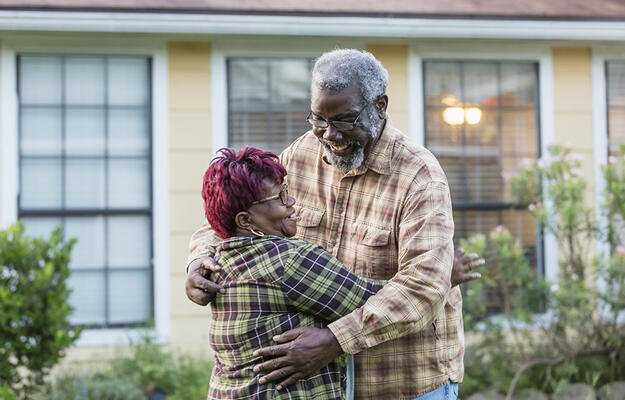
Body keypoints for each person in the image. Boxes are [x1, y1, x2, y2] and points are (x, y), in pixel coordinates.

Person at [186, 49, 484, 399]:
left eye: (344, 120)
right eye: (318, 119)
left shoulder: (419, 176)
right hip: (327, 386)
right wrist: (199, 260)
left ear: (380, 106)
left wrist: (335, 340)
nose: (330, 135)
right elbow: (234, 212)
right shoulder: (301, 154)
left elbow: (423, 288)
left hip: (404, 381)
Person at [201, 147, 386, 399]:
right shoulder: (287, 260)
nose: (291, 202)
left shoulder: (216, 260)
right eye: (279, 198)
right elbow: (380, 303)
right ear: (245, 221)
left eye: (286, 191)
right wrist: (440, 276)